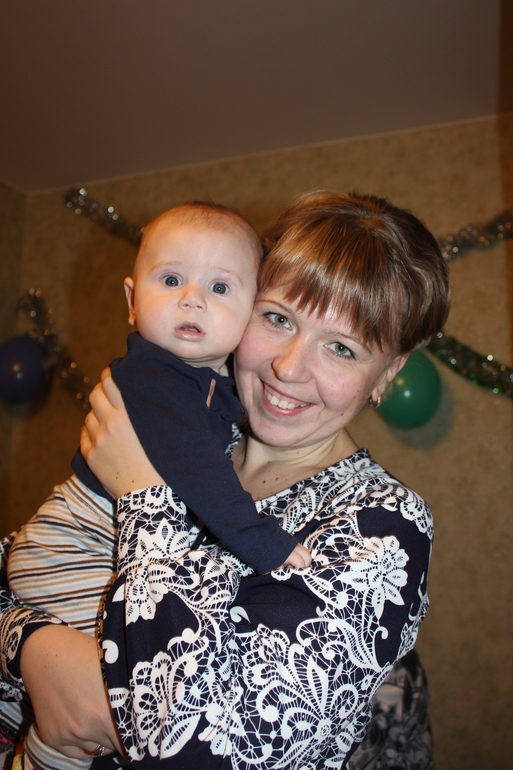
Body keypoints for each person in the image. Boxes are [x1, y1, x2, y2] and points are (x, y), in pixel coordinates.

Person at [0, 190, 450, 769]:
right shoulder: (199, 433)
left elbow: (211, 748)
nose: (288, 367)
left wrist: (143, 493)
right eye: (278, 318)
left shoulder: (383, 526)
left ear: (387, 373)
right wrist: (33, 647)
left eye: (341, 348)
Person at [3, 201, 310, 770]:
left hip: (89, 550)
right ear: (131, 300)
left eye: (220, 288)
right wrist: (264, 541)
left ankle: (47, 740)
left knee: (113, 685)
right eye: (170, 280)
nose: (192, 299)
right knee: (121, 683)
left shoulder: (208, 384)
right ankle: (46, 746)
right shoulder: (154, 379)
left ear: (251, 314)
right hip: (73, 548)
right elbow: (199, 472)